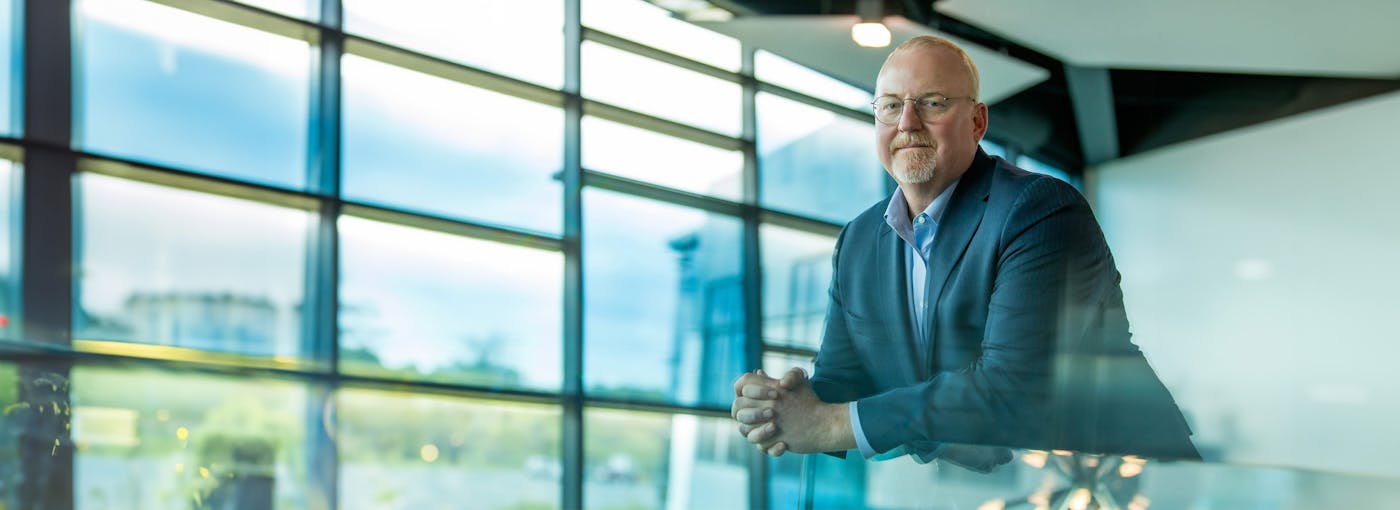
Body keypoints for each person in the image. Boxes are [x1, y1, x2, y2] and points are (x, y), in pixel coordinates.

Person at [730, 36, 1198, 467]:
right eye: (891, 106)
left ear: (978, 122)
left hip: (1130, 479)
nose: (907, 123)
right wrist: (780, 405)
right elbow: (846, 383)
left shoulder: (1041, 211)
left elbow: (1010, 391)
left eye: (931, 103)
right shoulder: (857, 240)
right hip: (1000, 486)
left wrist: (828, 424)